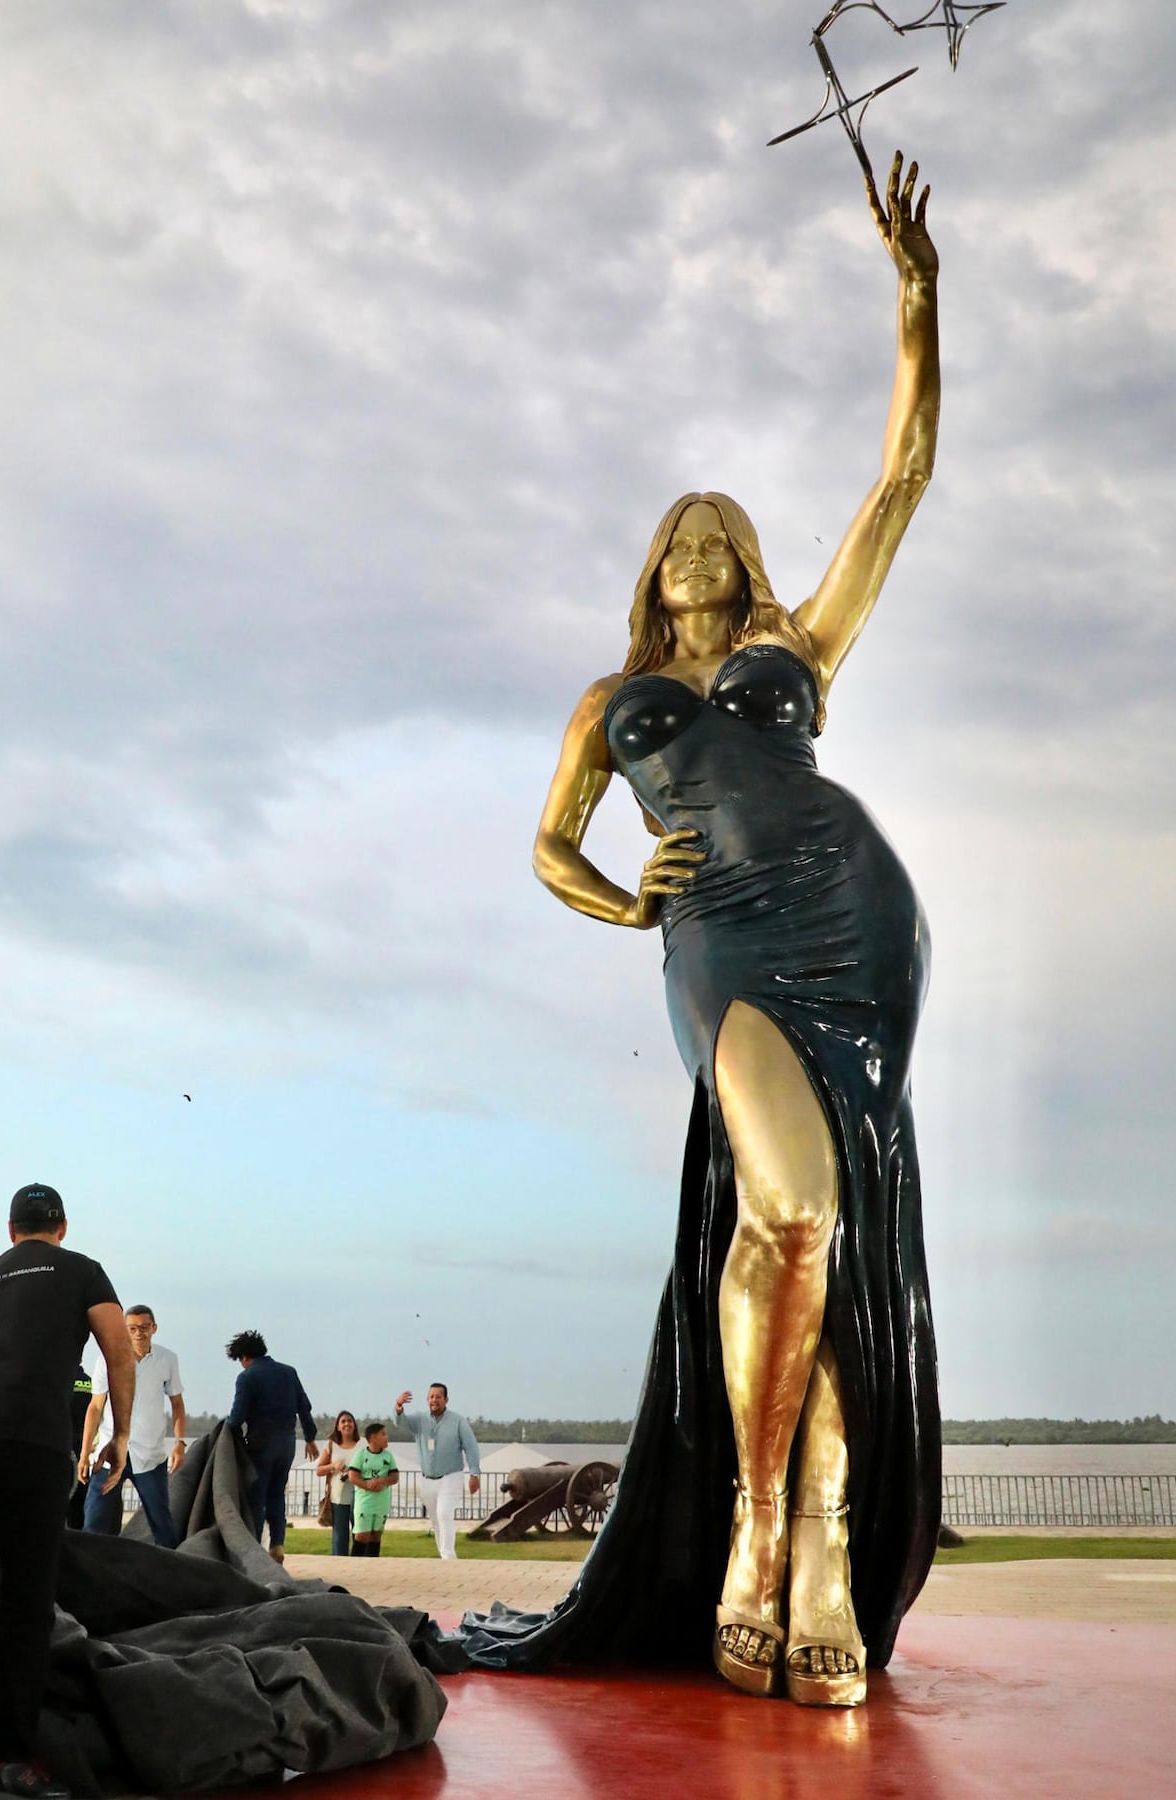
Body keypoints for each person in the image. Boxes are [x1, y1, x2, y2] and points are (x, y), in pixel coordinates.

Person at [458, 152, 941, 1705]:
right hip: (721, 938)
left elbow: (901, 485)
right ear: (652, 571)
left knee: (835, 1231)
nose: (704, 551)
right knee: (790, 1210)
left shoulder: (800, 643)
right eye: (680, 538)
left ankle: (821, 1551)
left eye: (723, 534)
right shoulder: (616, 701)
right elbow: (547, 845)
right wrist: (623, 894)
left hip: (854, 921)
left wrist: (919, 303)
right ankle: (755, 1520)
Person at [0, 1183, 134, 1798]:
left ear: (12, 1230)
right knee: (26, 1604)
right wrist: (119, 1437)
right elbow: (118, 1352)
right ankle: (12, 1757)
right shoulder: (82, 1270)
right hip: (35, 1448)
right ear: (61, 1227)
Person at [78, 1304, 186, 1547]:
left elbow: (177, 1404)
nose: (139, 1333)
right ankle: (87, 1579)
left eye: (144, 1327)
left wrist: (180, 1443)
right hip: (108, 1454)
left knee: (163, 1526)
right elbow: (95, 1407)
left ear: (154, 1328)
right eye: (133, 1328)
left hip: (149, 1455)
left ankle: (170, 1578)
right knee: (93, 1525)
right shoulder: (107, 1360)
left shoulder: (167, 1359)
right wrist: (85, 1452)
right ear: (125, 1331)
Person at [225, 1328, 319, 1561]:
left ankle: (255, 1550)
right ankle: (277, 1544)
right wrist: (310, 1438)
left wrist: (228, 1438)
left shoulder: (247, 1377)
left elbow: (237, 1417)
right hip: (288, 1443)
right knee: (277, 1494)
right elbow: (304, 1408)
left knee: (256, 1497)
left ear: (244, 1357)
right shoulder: (289, 1372)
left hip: (260, 1443)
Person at [393, 1383, 481, 1560]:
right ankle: (444, 1557)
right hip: (427, 1479)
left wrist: (474, 1474)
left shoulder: (458, 1421)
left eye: (438, 1397)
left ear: (446, 1400)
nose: (434, 1400)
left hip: (451, 1476)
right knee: (436, 1520)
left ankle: (449, 1557)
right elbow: (400, 1422)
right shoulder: (419, 1419)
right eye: (431, 1397)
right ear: (427, 1400)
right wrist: (398, 1407)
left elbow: (471, 1447)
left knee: (444, 1514)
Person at [347, 1421, 400, 1557]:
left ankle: (373, 1566)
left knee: (376, 1535)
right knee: (362, 1535)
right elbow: (352, 1476)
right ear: (373, 1437)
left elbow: (394, 1477)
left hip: (381, 1502)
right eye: (383, 1434)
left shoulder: (388, 1456)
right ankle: (355, 1565)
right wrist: (368, 1486)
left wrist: (382, 1481)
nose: (386, 1437)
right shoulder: (361, 1455)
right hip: (365, 1501)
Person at [316, 1409, 362, 1555]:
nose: (346, 1424)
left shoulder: (363, 1444)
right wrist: (333, 1466)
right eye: (343, 1421)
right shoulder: (331, 1445)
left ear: (354, 1425)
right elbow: (319, 1470)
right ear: (337, 1426)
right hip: (338, 1499)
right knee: (339, 1540)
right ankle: (340, 1569)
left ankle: (362, 1569)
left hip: (361, 1498)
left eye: (349, 1421)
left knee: (360, 1538)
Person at [66, 1365, 93, 1530]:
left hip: (65, 1446)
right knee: (82, 1501)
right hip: (87, 1448)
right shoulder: (90, 1381)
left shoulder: (62, 1380)